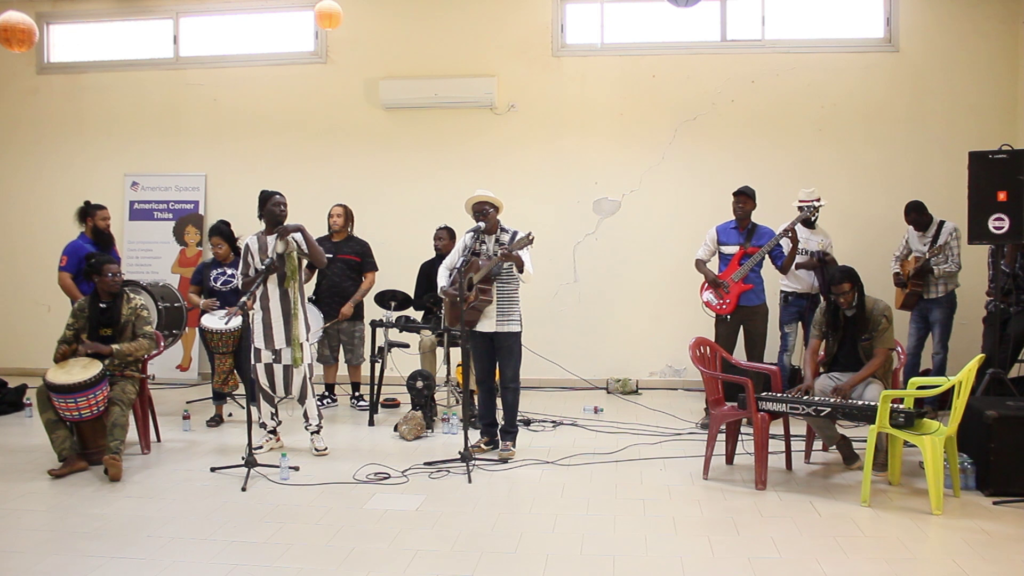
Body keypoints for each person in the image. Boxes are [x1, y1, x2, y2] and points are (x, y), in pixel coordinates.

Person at [39, 253, 156, 481]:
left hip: (122, 372)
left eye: (119, 274)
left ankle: (113, 457)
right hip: (85, 373)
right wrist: (63, 352)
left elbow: (148, 342)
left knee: (118, 400)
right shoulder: (83, 307)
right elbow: (66, 341)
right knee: (44, 392)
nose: (117, 279)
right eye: (111, 275)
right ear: (96, 278)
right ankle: (70, 456)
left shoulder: (134, 304)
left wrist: (109, 349)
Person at [438, 190, 533, 460]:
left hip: (507, 320)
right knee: (483, 382)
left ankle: (509, 436)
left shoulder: (515, 238)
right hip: (476, 319)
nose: (481, 217)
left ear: (496, 212)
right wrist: (446, 290)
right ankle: (488, 435)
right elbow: (446, 267)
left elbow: (529, 276)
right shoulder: (470, 239)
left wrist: (515, 259)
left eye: (485, 212)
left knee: (509, 382)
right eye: (476, 214)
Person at [694, 186, 798, 428]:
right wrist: (709, 275)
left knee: (756, 360)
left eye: (745, 202)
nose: (739, 205)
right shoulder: (719, 231)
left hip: (755, 305)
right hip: (726, 304)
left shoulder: (767, 234)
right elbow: (699, 260)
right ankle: (712, 409)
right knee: (720, 358)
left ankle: (754, 409)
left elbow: (783, 267)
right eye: (736, 201)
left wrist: (794, 246)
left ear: (754, 206)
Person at [240, 190, 329, 456]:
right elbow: (243, 284)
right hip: (264, 325)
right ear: (262, 210)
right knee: (263, 381)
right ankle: (271, 433)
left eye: (284, 205)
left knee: (302, 381)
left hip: (295, 326)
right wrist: (262, 272)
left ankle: (315, 432)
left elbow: (321, 261)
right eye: (276, 205)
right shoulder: (252, 244)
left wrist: (300, 229)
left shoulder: (294, 239)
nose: (282, 209)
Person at [790, 265, 895, 474]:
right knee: (806, 402)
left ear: (856, 288)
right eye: (835, 295)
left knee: (875, 399)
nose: (841, 300)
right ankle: (840, 443)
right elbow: (812, 350)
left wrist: (850, 383)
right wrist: (808, 380)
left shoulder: (878, 310)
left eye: (845, 293)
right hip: (834, 376)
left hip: (868, 378)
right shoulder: (825, 310)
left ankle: (881, 449)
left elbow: (880, 357)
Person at [891, 200, 961, 418]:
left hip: (941, 299)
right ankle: (908, 401)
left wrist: (932, 269)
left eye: (916, 223)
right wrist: (897, 273)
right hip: (918, 299)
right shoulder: (911, 231)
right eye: (910, 225)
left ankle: (932, 403)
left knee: (938, 352)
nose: (915, 228)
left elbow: (955, 265)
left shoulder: (949, 230)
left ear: (925, 215)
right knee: (912, 351)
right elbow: (898, 256)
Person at [304, 203, 378, 410]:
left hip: (351, 313)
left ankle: (356, 394)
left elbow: (370, 278)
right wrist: (294, 282)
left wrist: (351, 303)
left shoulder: (360, 246)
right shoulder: (319, 245)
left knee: (354, 357)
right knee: (327, 356)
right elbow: (309, 272)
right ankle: (329, 393)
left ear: (348, 220)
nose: (334, 220)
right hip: (324, 310)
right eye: (331, 216)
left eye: (338, 216)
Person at [187, 219, 254, 427]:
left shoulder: (243, 265)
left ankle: (259, 412)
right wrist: (202, 303)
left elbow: (253, 296)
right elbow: (192, 293)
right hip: (211, 327)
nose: (216, 250)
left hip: (239, 325)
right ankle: (218, 412)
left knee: (245, 368)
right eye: (213, 246)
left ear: (230, 245)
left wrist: (242, 307)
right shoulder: (205, 267)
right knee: (218, 368)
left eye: (220, 246)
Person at [414, 225, 478, 428]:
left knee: (473, 343)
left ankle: (469, 396)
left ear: (453, 243)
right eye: (435, 240)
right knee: (426, 341)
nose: (436, 243)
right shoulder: (427, 267)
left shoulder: (466, 266)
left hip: (460, 319)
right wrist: (432, 301)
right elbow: (416, 303)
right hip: (434, 320)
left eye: (441, 240)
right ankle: (428, 397)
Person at [777, 189, 834, 390]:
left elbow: (828, 266)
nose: (810, 213)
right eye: (806, 209)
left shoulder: (824, 236)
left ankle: (809, 389)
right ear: (799, 209)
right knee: (787, 347)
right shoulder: (787, 230)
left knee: (812, 346)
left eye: (814, 209)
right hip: (790, 296)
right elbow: (782, 263)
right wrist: (804, 265)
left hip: (813, 298)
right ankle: (783, 391)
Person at [977, 244, 1024, 390]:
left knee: (1013, 338)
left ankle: (995, 390)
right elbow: (997, 288)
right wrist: (1010, 258)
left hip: (1022, 308)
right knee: (989, 353)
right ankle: (982, 395)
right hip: (997, 306)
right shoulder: (996, 247)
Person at [58, 201, 121, 303]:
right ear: (90, 221)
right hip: (89, 308)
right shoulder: (75, 247)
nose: (108, 223)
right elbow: (64, 280)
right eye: (103, 220)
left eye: (109, 219)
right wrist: (83, 303)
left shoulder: (110, 246)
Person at [171, 212, 204, 372]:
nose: (191, 237)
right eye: (188, 233)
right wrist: (188, 269)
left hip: (194, 290)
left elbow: (196, 272)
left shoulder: (201, 253)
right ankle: (186, 355)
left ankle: (186, 357)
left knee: (191, 325)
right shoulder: (182, 252)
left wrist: (185, 270)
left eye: (196, 233)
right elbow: (174, 269)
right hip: (181, 290)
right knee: (181, 325)